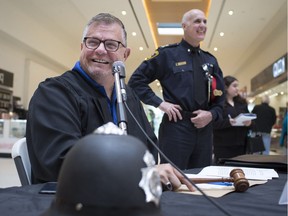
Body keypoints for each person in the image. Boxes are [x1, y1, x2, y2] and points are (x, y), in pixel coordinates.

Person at [26, 13, 194, 192]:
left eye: (111, 44)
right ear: (82, 46)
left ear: (126, 54)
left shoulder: (128, 96)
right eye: (92, 42)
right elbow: (62, 164)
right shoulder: (54, 93)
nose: (100, 50)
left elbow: (148, 149)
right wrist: (137, 174)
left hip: (130, 198)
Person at [128, 9, 225, 169]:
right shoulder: (166, 54)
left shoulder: (211, 61)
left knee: (203, 178)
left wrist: (211, 114)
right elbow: (136, 81)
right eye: (197, 21)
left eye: (205, 21)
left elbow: (220, 99)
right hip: (176, 128)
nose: (202, 25)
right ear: (184, 26)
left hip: (205, 131)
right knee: (172, 179)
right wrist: (160, 104)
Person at [213, 76, 252, 164]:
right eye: (234, 86)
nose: (237, 89)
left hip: (241, 145)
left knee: (240, 170)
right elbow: (213, 124)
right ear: (226, 87)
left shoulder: (242, 103)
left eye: (237, 86)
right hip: (223, 146)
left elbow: (251, 121)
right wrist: (228, 122)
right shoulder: (218, 104)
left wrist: (249, 124)